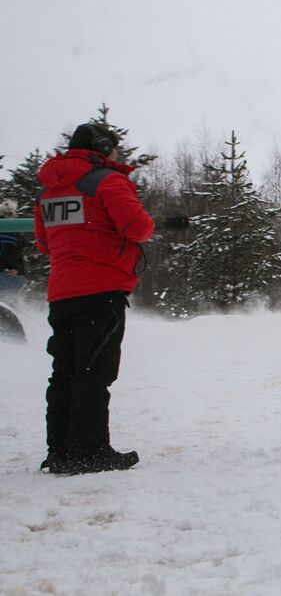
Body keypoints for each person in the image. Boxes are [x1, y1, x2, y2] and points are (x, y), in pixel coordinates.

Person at [34, 123, 155, 474]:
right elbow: (138, 227)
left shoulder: (48, 191)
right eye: (114, 148)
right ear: (102, 147)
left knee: (64, 371)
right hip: (101, 290)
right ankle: (89, 451)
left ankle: (59, 451)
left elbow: (44, 243)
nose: (117, 155)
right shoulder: (107, 181)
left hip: (61, 292)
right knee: (94, 372)